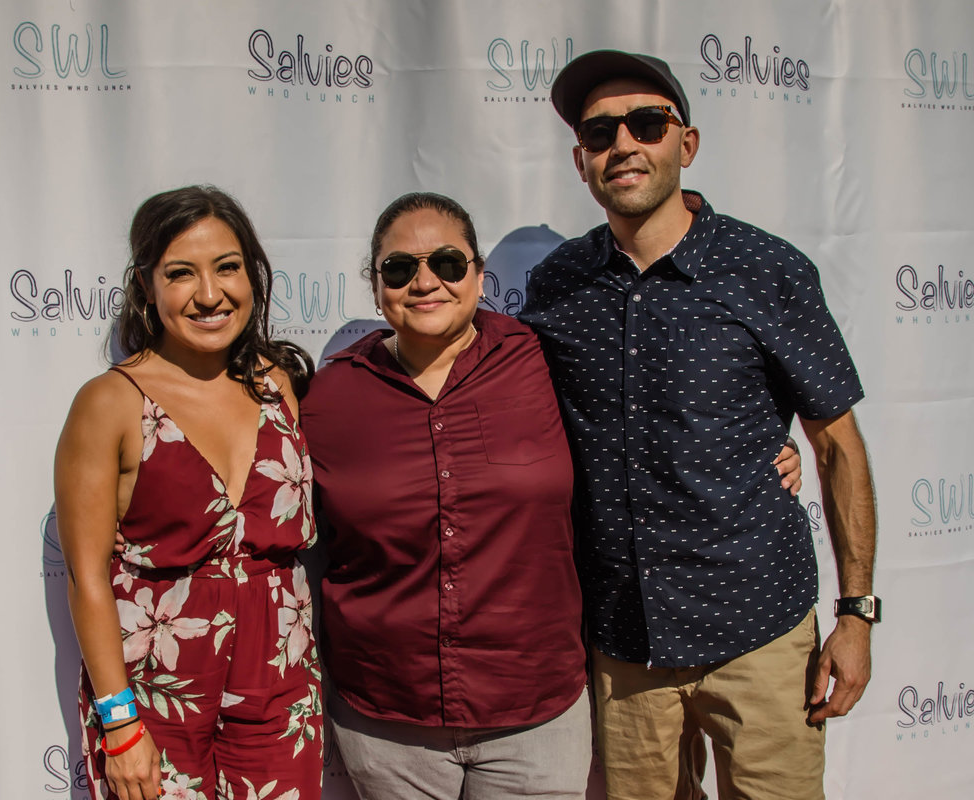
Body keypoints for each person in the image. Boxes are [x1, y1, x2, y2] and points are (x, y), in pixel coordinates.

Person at [519, 51, 879, 800]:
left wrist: (856, 615)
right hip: (625, 648)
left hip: (762, 630)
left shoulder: (766, 270)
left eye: (646, 123)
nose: (623, 144)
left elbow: (838, 445)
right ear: (580, 159)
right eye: (600, 131)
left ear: (686, 144)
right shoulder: (558, 286)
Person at [300, 192, 593, 800]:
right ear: (377, 287)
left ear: (480, 275)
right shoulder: (327, 398)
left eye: (448, 263)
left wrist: (763, 445)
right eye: (401, 268)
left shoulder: (543, 361)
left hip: (536, 714)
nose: (425, 281)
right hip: (386, 720)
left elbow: (641, 424)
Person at [55, 186, 323, 800]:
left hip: (281, 682)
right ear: (147, 285)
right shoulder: (110, 403)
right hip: (154, 694)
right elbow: (87, 576)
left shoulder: (275, 385)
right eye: (181, 273)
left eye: (227, 268)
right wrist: (119, 723)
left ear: (251, 275)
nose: (209, 294)